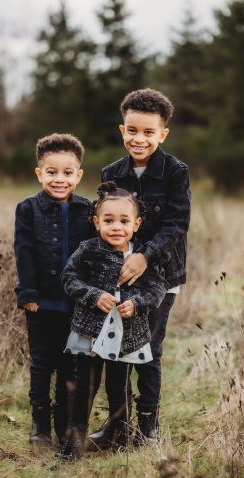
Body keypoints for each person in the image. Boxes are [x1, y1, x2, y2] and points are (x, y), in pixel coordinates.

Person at [93, 88, 191, 446]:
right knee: (115, 347)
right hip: (119, 275)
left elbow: (176, 225)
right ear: (123, 130)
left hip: (162, 275)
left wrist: (144, 255)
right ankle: (117, 426)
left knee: (148, 348)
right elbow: (105, 221)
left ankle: (148, 427)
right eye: (132, 130)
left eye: (149, 132)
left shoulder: (175, 172)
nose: (139, 138)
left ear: (162, 134)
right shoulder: (111, 172)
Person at [58, 181, 168, 459]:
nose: (116, 227)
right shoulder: (88, 250)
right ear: (96, 222)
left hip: (126, 336)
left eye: (124, 221)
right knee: (85, 388)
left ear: (137, 223)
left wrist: (138, 303)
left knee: (119, 388)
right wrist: (93, 295)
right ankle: (74, 444)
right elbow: (69, 278)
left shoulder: (141, 257)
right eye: (108, 220)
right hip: (90, 333)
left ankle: (119, 441)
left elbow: (157, 287)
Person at [14, 133, 95, 446]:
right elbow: (23, 252)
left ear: (78, 175)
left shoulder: (86, 210)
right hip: (42, 304)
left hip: (76, 306)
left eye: (67, 173)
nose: (59, 179)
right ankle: (40, 425)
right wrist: (28, 294)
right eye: (51, 172)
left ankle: (64, 426)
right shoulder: (28, 209)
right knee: (42, 365)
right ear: (39, 173)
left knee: (69, 366)